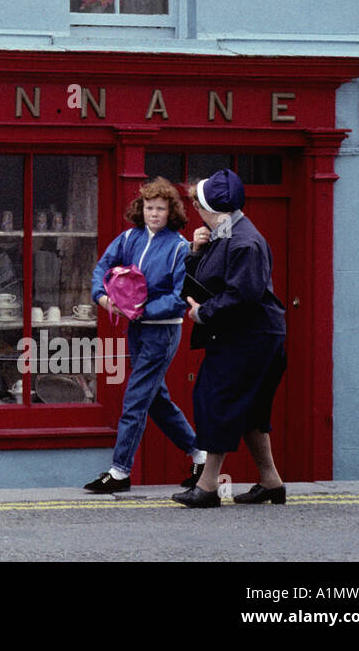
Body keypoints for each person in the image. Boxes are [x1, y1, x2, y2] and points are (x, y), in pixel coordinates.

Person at [172, 169, 287, 508]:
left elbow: (243, 294)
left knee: (214, 401)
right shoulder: (226, 232)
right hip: (250, 335)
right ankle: (271, 482)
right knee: (250, 411)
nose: (197, 212)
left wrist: (202, 314)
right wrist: (196, 250)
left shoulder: (244, 242)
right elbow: (204, 279)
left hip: (250, 337)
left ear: (215, 208)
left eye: (199, 205)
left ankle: (207, 487)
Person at [83, 177, 206, 494]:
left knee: (135, 400)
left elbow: (180, 298)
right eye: (149, 207)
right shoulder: (128, 238)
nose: (154, 213)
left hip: (162, 333)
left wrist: (139, 309)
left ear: (171, 212)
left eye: (161, 208)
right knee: (157, 401)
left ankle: (120, 471)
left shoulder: (179, 247)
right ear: (142, 209)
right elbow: (102, 268)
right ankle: (199, 453)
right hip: (136, 330)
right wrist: (103, 297)